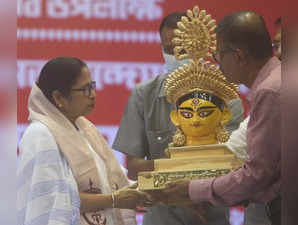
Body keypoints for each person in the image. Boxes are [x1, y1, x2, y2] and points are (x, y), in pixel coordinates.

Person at [112, 12, 244, 225]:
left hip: (211, 216)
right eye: (168, 50)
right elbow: (135, 168)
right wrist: (186, 181)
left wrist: (190, 187)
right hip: (161, 217)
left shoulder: (228, 98)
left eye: (182, 49)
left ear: (200, 47)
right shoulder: (144, 95)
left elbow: (235, 163)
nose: (175, 55)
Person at [162, 11, 281, 225]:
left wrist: (193, 189)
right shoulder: (277, 81)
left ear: (238, 56)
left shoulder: (270, 92)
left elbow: (258, 174)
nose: (218, 65)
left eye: (218, 56)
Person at [17, 57, 152, 225]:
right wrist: (113, 200)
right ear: (59, 97)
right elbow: (51, 201)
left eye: (92, 86)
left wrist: (151, 187)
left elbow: (111, 181)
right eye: (85, 89)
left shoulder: (85, 129)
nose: (93, 95)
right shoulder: (40, 134)